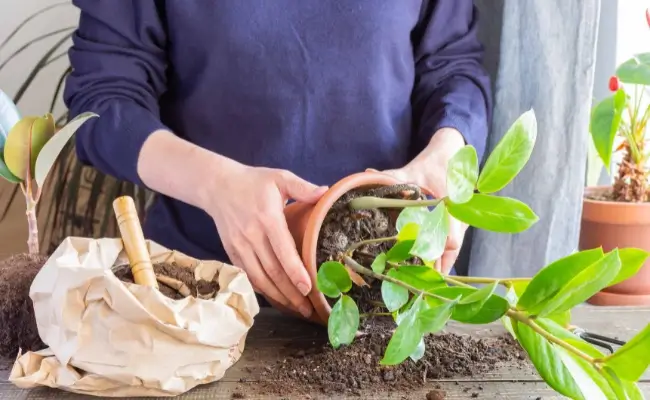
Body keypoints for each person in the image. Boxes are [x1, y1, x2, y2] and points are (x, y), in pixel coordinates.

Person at [63, 0, 492, 319]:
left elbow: (453, 67)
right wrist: (215, 184)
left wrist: (447, 153)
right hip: (198, 293)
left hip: (384, 292)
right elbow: (102, 98)